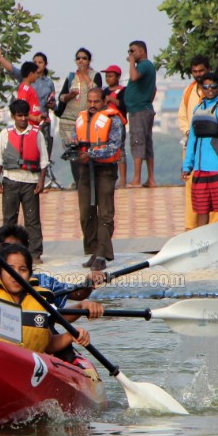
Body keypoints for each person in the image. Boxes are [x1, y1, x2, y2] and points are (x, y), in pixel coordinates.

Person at [0, 229, 97, 355]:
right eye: (10, 269)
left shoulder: (40, 300)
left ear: (30, 274)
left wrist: (70, 335)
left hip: (26, 364)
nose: (16, 275)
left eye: (22, 270)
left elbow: (49, 345)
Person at [182, 72, 218, 257]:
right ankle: (202, 246)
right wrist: (187, 165)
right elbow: (192, 139)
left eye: (213, 87)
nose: (209, 90)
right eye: (205, 87)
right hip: (200, 168)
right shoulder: (197, 110)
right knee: (201, 209)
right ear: (201, 89)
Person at [0, 99, 48, 264]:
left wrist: (41, 181)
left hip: (30, 182)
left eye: (25, 115)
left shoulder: (37, 133)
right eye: (19, 116)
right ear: (13, 116)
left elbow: (44, 161)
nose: (23, 119)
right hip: (10, 180)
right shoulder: (5, 133)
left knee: (32, 219)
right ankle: (5, 251)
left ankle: (34, 253)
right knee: (9, 219)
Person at [76, 88, 125, 270]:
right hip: (85, 169)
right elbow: (76, 138)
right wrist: (74, 148)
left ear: (104, 101)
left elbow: (114, 146)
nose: (92, 105)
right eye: (89, 102)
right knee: (85, 213)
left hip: (105, 170)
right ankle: (94, 251)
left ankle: (102, 256)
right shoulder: (82, 118)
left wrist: (91, 153)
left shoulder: (114, 120)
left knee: (105, 213)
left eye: (96, 102)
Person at [176, 56, 218, 229]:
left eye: (201, 71)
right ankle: (192, 228)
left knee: (214, 187)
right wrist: (189, 133)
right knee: (192, 186)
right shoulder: (189, 91)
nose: (198, 75)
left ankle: (215, 229)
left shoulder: (217, 92)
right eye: (195, 72)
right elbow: (182, 117)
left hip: (213, 147)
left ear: (208, 69)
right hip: (191, 146)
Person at [0, 48, 56, 163]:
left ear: (45, 64)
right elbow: (12, 69)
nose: (37, 65)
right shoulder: (25, 85)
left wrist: (51, 105)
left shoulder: (48, 82)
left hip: (42, 123)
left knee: (44, 156)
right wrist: (0, 57)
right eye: (35, 62)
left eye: (40, 62)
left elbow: (54, 102)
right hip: (30, 124)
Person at [56, 48, 102, 188]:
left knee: (88, 149)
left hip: (88, 120)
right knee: (73, 151)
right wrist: (69, 96)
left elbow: (97, 91)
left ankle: (90, 181)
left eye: (84, 58)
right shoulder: (71, 77)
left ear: (89, 60)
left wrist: (84, 75)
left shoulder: (95, 75)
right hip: (69, 120)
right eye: (78, 58)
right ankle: (78, 182)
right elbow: (62, 97)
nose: (81, 61)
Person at [124, 40, 157, 188]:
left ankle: (136, 179)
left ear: (142, 51)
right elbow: (154, 88)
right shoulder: (148, 66)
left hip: (139, 110)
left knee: (137, 142)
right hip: (144, 108)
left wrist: (131, 63)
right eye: (129, 51)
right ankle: (150, 179)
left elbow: (134, 77)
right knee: (146, 143)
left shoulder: (143, 65)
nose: (130, 54)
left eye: (133, 51)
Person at [100, 65, 129, 185]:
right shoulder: (104, 91)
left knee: (120, 149)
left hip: (118, 121)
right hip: (105, 122)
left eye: (111, 76)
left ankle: (122, 180)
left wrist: (111, 100)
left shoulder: (123, 90)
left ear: (118, 77)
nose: (108, 78)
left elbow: (124, 105)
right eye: (107, 76)